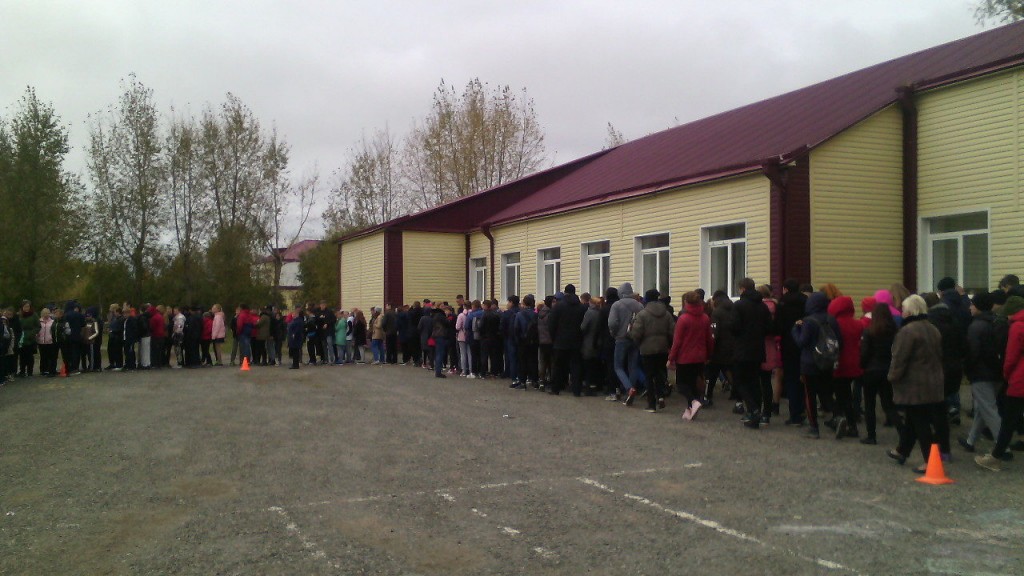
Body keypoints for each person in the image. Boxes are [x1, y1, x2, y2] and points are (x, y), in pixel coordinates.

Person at [887, 295, 950, 473]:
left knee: (920, 422)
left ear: (910, 310)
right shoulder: (933, 328)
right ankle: (902, 450)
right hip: (933, 380)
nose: (902, 312)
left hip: (914, 383)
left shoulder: (907, 331)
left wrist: (892, 376)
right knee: (913, 419)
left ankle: (930, 460)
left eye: (904, 309)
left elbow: (899, 358)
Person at [975, 292, 1024, 471]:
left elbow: (1011, 357)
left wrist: (1007, 374)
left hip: (1019, 379)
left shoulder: (1017, 327)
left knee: (1008, 418)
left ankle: (996, 456)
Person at [960, 291, 1003, 454]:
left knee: (989, 409)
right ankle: (971, 440)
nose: (970, 307)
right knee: (982, 408)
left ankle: (1002, 446)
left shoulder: (976, 326)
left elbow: (973, 352)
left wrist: (967, 369)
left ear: (978, 306)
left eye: (972, 304)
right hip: (997, 372)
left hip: (981, 373)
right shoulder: (997, 322)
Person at [793, 291, 840, 439]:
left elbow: (801, 342)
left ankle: (814, 427)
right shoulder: (832, 320)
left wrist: (795, 329)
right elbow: (839, 340)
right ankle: (838, 416)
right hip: (827, 361)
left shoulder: (808, 321)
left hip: (810, 362)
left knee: (810, 395)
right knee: (826, 392)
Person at [731, 278, 772, 427]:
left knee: (740, 381)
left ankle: (753, 409)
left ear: (742, 289)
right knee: (755, 382)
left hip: (742, 348)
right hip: (758, 348)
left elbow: (735, 327)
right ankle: (756, 412)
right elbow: (769, 327)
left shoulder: (739, 305)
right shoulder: (762, 306)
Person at [668, 291, 714, 420]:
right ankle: (690, 409)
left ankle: (694, 401)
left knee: (682, 384)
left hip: (685, 357)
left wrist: (671, 358)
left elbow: (677, 341)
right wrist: (709, 355)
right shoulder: (705, 318)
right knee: (694, 383)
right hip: (700, 356)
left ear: (686, 302)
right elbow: (709, 339)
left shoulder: (683, 319)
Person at [859, 303, 900, 445]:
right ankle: (903, 431)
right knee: (888, 404)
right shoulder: (894, 332)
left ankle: (871, 435)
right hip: (887, 369)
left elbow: (865, 353)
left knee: (869, 404)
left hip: (871, 370)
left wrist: (862, 366)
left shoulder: (869, 331)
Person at [777, 279, 807, 424]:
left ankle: (795, 413)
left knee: (791, 378)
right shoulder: (805, 301)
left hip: (788, 343)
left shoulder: (783, 302)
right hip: (804, 342)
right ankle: (804, 409)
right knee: (803, 377)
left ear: (785, 289)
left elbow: (778, 325)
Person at [608, 282, 644, 404]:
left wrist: (614, 333)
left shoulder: (617, 305)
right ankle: (632, 389)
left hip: (621, 338)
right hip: (635, 338)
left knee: (618, 366)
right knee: (633, 366)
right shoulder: (639, 305)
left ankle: (629, 388)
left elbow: (612, 323)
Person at [548, 285, 586, 396]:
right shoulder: (581, 307)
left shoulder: (558, 306)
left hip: (560, 341)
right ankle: (576, 390)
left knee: (558, 366)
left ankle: (556, 388)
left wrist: (553, 338)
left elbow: (552, 324)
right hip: (576, 341)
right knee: (576, 365)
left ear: (565, 293)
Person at [706, 291, 736, 409]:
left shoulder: (716, 312)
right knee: (729, 369)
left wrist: (710, 349)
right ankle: (737, 393)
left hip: (718, 348)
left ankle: (708, 396)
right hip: (732, 345)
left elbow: (714, 333)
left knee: (712, 373)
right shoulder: (734, 309)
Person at [17, 301, 39, 378]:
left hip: (30, 338)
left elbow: (38, 326)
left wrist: (32, 333)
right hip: (21, 338)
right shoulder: (19, 315)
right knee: (22, 356)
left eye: (28, 306)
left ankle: (30, 371)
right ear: (22, 307)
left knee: (30, 356)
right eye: (25, 307)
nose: (26, 308)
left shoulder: (34, 315)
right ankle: (22, 371)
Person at [36, 308, 57, 376]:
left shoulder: (52, 322)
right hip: (41, 341)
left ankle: (50, 369)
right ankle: (43, 370)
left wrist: (52, 338)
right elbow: (37, 330)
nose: (46, 315)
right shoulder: (39, 321)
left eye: (47, 313)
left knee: (50, 356)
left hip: (50, 341)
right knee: (43, 356)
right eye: (44, 313)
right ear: (42, 314)